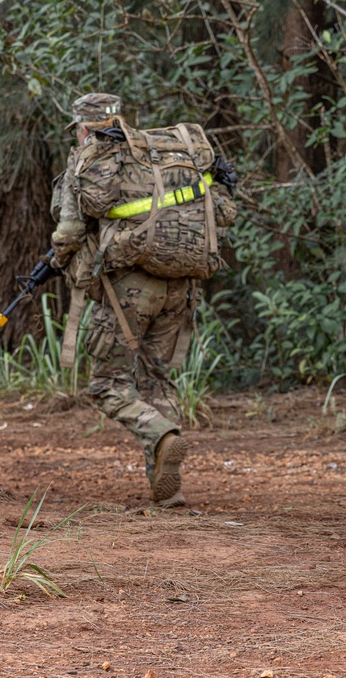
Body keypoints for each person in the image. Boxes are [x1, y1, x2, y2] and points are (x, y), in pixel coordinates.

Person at [49, 93, 236, 508]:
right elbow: (222, 212)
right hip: (181, 285)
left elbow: (68, 235)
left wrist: (64, 262)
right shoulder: (162, 156)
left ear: (83, 127)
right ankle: (169, 487)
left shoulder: (91, 160)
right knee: (157, 379)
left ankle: (161, 433)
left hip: (129, 288)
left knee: (105, 385)